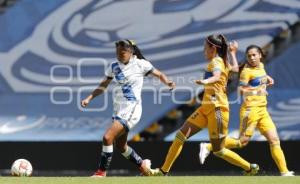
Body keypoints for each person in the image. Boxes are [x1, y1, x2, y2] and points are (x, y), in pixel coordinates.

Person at [149, 35, 259, 176]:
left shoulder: (216, 63)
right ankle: (163, 171)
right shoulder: (222, 60)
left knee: (219, 150)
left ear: (213, 48)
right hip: (206, 107)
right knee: (180, 135)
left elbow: (217, 76)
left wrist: (206, 82)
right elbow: (236, 69)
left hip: (218, 109)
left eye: (205, 47)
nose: (203, 50)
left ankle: (250, 168)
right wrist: (232, 52)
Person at [81, 39, 175, 177]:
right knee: (121, 146)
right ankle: (143, 166)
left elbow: (159, 74)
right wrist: (89, 97)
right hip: (118, 110)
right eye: (117, 51)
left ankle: (101, 173)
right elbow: (103, 86)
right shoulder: (114, 66)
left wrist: (168, 82)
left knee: (107, 137)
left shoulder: (141, 64)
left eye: (123, 51)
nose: (119, 54)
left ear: (131, 51)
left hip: (132, 109)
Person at [199, 45, 294, 176]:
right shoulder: (246, 71)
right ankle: (209, 146)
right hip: (250, 110)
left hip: (262, 110)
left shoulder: (261, 66)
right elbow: (242, 89)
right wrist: (257, 90)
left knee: (274, 140)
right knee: (241, 143)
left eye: (254, 55)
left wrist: (268, 78)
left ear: (260, 55)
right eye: (249, 56)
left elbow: (260, 77)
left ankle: (284, 172)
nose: (252, 58)